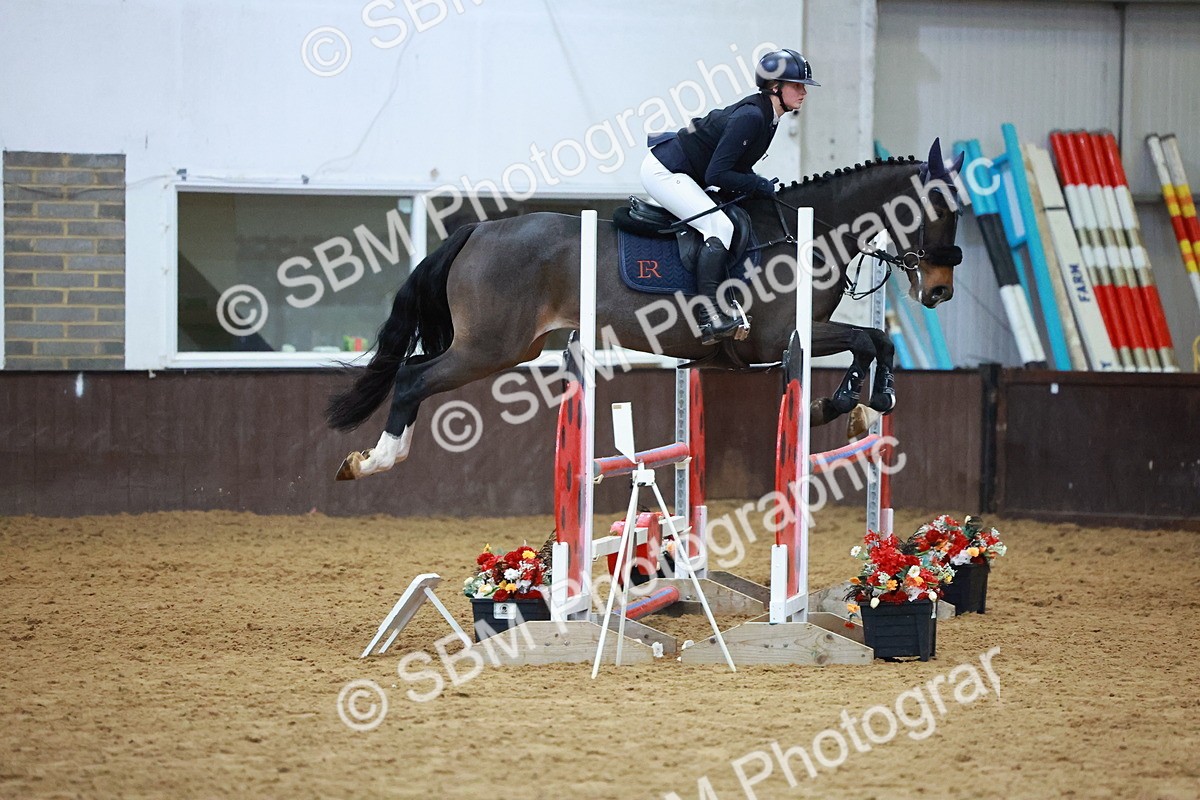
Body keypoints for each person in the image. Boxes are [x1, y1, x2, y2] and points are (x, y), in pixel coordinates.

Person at [639, 49, 819, 344]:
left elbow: (732, 168)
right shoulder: (751, 116)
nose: (803, 92)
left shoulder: (768, 115)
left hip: (688, 173)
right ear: (775, 86)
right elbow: (716, 175)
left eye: (804, 86)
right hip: (665, 171)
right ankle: (709, 316)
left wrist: (753, 184)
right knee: (719, 227)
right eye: (797, 85)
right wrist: (757, 184)